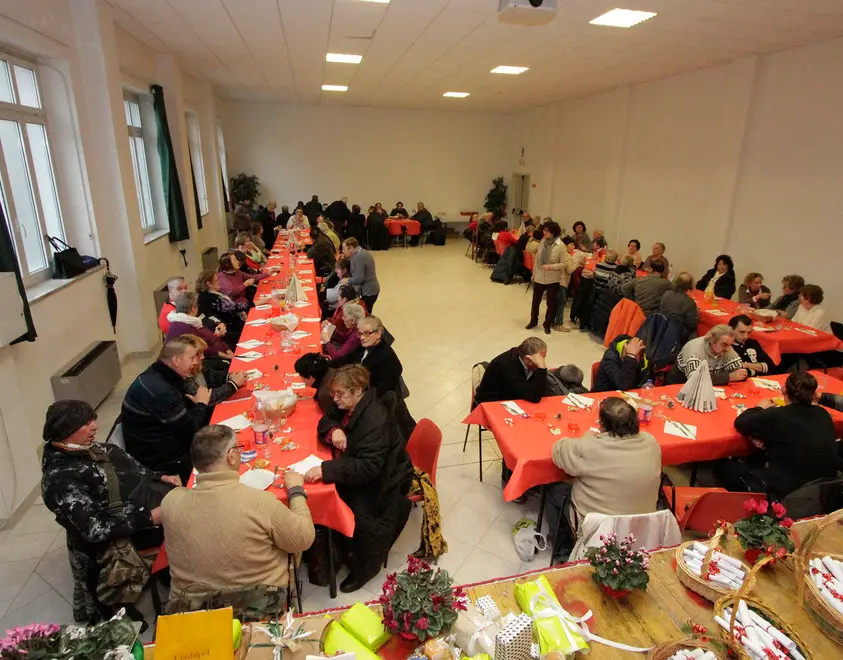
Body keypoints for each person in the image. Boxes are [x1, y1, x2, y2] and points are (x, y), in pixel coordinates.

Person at [41, 400, 178, 622]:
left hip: (144, 507)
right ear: (65, 431)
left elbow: (134, 468)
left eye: (92, 419)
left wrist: (159, 476)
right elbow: (94, 529)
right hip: (126, 531)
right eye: (85, 423)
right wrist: (150, 517)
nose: (94, 426)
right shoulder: (59, 479)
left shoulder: (90, 450)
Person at [161, 425, 314, 606]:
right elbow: (304, 538)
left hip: (192, 609)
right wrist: (296, 491)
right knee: (287, 538)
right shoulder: (260, 502)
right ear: (231, 456)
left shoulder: (170, 502)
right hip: (256, 605)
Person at [305, 365, 413, 592]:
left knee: (357, 512)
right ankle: (333, 550)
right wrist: (334, 429)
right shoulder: (349, 405)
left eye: (340, 394)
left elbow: (368, 468)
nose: (335, 399)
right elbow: (326, 419)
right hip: (364, 468)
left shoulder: (376, 420)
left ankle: (364, 569)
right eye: (334, 393)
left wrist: (327, 470)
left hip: (385, 481)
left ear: (357, 391)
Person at [547, 397, 661, 562]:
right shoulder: (651, 442)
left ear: (603, 425)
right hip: (642, 524)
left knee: (553, 490)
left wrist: (588, 437)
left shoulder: (590, 447)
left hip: (599, 527)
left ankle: (562, 552)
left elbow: (558, 450)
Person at [717, 372, 837, 500]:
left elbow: (741, 422)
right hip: (826, 491)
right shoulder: (823, 414)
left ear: (784, 389)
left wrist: (759, 407)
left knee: (722, 465)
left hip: (789, 497)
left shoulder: (777, 415)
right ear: (813, 395)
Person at [122, 339, 212, 483]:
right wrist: (201, 404)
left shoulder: (158, 373)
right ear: (176, 360)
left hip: (161, 440)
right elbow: (191, 429)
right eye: (192, 357)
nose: (196, 362)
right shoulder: (160, 390)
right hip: (161, 460)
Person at [475, 337, 548, 404]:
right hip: (492, 403)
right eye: (540, 360)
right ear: (528, 360)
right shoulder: (508, 366)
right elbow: (535, 397)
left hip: (513, 397)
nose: (542, 361)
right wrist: (542, 369)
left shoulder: (524, 356)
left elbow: (541, 392)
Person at [177, 334, 245, 405]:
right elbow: (208, 399)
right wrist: (234, 384)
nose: (203, 357)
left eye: (202, 353)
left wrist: (230, 376)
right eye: (197, 355)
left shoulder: (196, 366)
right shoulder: (184, 378)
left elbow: (211, 376)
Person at [668, 325, 747, 385]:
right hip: (680, 384)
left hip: (711, 387)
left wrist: (740, 374)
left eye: (730, 345)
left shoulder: (726, 348)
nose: (727, 348)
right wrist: (728, 377)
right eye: (724, 344)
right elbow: (696, 380)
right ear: (712, 340)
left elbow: (740, 373)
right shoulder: (695, 349)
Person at [165, 292, 235, 360]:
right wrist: (226, 356)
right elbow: (204, 349)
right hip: (212, 360)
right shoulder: (183, 326)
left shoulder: (192, 322)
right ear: (193, 308)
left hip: (221, 354)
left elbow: (213, 338)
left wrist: (228, 350)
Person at [527, 221, 565, 334]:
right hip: (539, 275)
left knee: (551, 302)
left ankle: (547, 323)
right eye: (544, 230)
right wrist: (533, 274)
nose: (544, 232)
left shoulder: (560, 245)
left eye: (547, 231)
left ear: (553, 233)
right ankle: (533, 320)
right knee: (535, 301)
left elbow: (564, 264)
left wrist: (550, 266)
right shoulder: (543, 242)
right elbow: (537, 259)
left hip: (552, 278)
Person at [196, 269, 250, 344]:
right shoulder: (210, 298)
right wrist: (253, 304)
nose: (219, 282)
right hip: (227, 327)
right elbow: (233, 308)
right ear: (209, 284)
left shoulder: (211, 293)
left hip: (229, 323)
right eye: (216, 280)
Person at [341, 237, 380, 312]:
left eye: (344, 249)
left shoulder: (358, 257)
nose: (343, 251)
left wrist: (347, 280)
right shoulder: (361, 253)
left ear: (351, 248)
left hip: (368, 292)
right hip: (372, 289)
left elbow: (359, 278)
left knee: (364, 315)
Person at [658, 272, 699, 339]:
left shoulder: (666, 293)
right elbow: (692, 324)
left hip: (662, 325)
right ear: (690, 286)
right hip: (677, 332)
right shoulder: (689, 301)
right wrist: (697, 314)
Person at [324, 302, 366, 366]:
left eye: (344, 317)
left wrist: (327, 342)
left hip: (347, 365)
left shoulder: (356, 336)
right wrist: (331, 328)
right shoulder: (356, 328)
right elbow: (345, 338)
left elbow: (337, 356)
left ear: (352, 320)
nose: (342, 318)